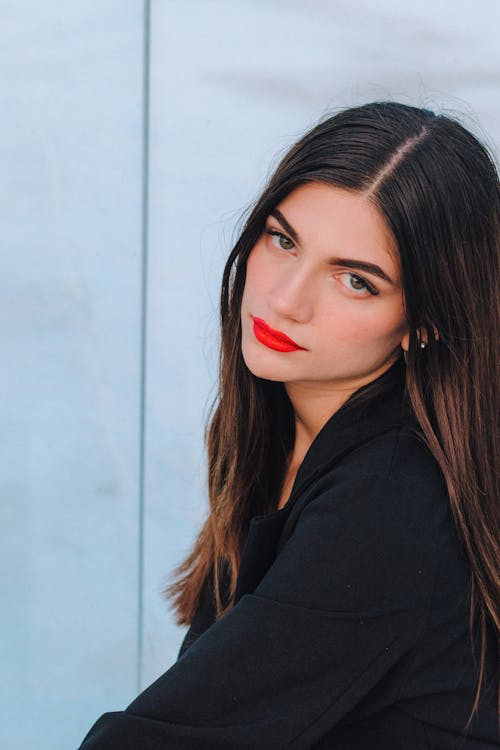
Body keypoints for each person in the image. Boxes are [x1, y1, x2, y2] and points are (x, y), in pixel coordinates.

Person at [79, 102, 499, 748]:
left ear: (425, 322)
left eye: (355, 280)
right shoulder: (285, 429)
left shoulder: (392, 504)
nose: (285, 299)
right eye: (283, 240)